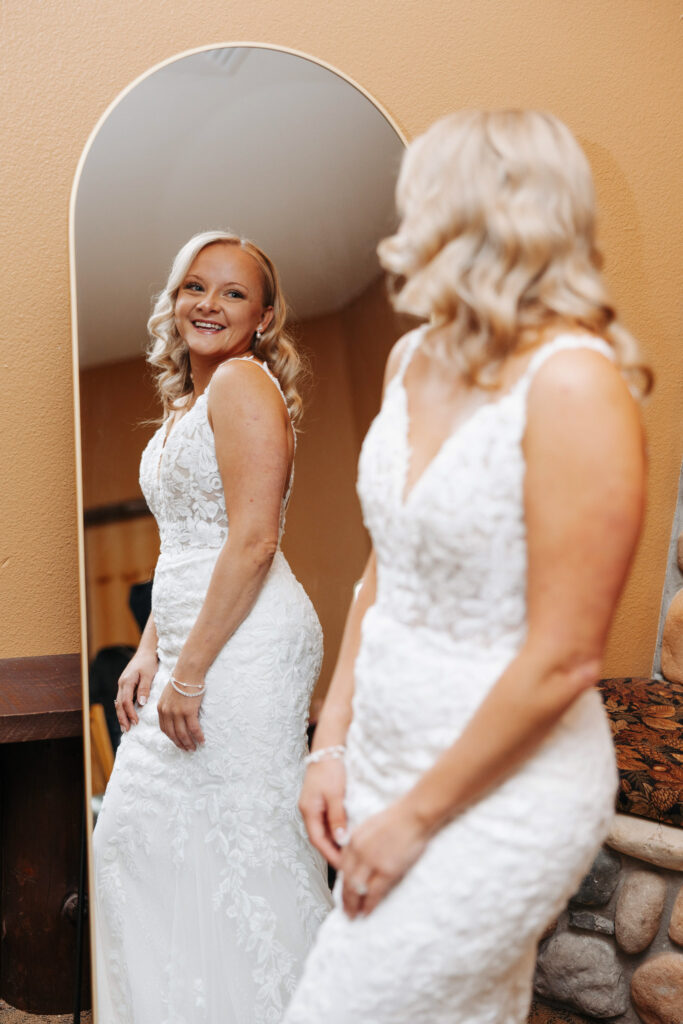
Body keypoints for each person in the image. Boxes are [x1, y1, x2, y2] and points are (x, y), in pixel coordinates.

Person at [284, 110, 649, 1024]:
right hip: (381, 752)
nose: (404, 225)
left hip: (502, 790)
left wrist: (413, 818)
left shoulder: (575, 383)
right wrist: (330, 738)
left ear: (485, 215)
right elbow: (383, 570)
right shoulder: (413, 357)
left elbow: (565, 658)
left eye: (423, 200)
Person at [92, 231, 332, 1024]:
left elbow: (254, 540)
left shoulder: (240, 385)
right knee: (142, 841)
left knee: (245, 844)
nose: (209, 303)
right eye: (196, 286)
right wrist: (148, 652)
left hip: (247, 643)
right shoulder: (187, 405)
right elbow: (184, 545)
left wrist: (187, 674)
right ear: (175, 300)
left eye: (233, 293)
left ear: (263, 318)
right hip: (196, 633)